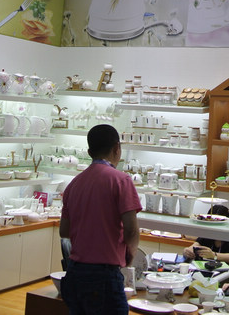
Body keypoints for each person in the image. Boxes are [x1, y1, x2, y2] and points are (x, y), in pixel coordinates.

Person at [59, 124, 142, 315]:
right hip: (103, 274)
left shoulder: (74, 184)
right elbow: (131, 229)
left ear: (89, 152)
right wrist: (130, 254)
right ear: (117, 148)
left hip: (74, 272)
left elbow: (64, 231)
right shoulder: (121, 180)